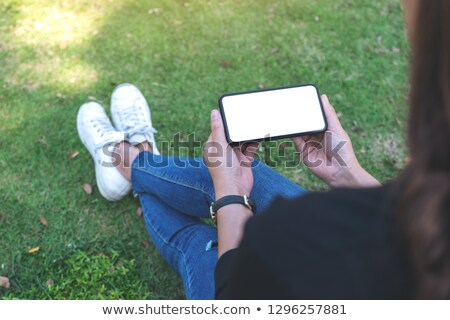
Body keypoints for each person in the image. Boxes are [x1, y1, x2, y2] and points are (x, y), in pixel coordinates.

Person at [76, 0, 449, 299]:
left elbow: (233, 297)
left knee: (204, 245)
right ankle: (135, 158)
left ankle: (125, 159)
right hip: (393, 248)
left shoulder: (288, 236)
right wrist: (348, 174)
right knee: (255, 178)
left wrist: (229, 195)